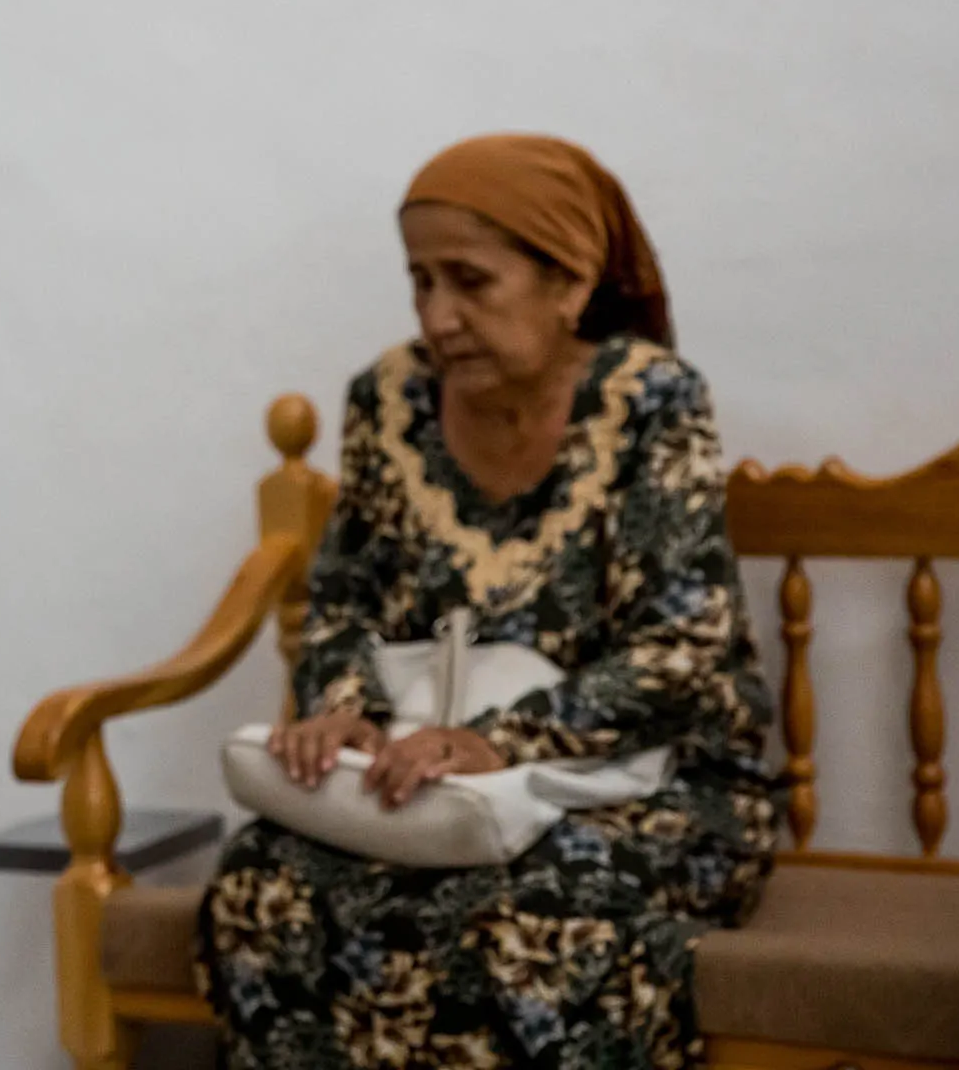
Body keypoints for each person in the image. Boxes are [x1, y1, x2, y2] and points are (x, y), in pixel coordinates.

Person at [196, 133, 779, 1070]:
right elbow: (346, 598)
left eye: (470, 281)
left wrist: (500, 741)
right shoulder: (390, 401)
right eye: (420, 282)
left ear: (572, 284)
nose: (438, 315)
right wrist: (343, 709)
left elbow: (683, 648)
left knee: (535, 913)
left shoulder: (650, 402)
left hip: (652, 787)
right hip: (435, 783)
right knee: (265, 882)